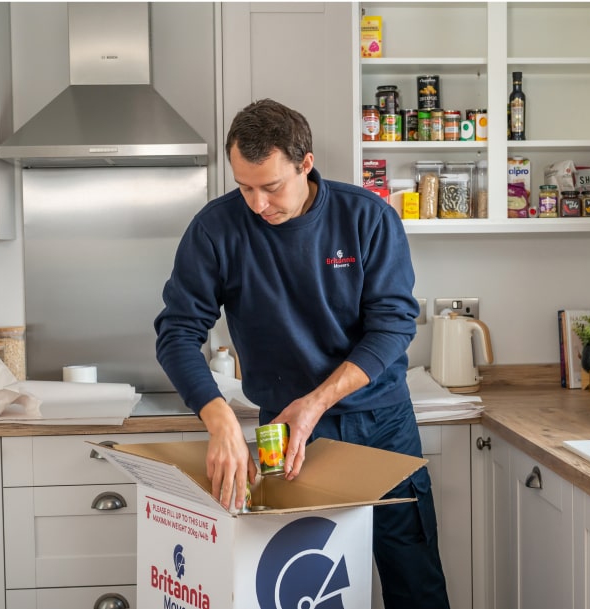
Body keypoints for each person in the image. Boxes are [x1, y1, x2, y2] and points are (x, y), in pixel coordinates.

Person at [154, 99, 451, 608]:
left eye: (271, 187)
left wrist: (316, 402)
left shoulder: (367, 218)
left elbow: (393, 323)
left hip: (380, 423)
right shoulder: (215, 229)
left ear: (305, 164)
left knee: (413, 579)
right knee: (302, 585)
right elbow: (177, 331)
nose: (257, 204)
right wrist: (218, 417)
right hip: (287, 437)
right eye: (244, 187)